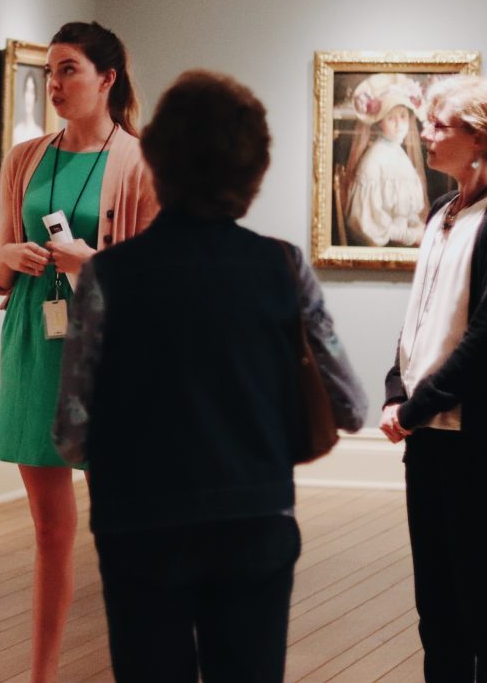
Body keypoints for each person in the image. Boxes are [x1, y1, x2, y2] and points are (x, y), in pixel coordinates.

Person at [53, 70, 366, 682]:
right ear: (253, 167)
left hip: (138, 523)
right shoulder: (281, 265)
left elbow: (71, 430)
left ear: (157, 158)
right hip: (254, 518)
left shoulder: (108, 276)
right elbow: (349, 403)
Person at [0, 21, 158, 682]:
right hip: (34, 341)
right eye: (50, 72)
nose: (54, 85)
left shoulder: (140, 164)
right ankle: (41, 675)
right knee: (50, 532)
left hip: (106, 353)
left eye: (69, 71)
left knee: (124, 528)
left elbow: (151, 286)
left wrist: (93, 266)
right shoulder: (24, 158)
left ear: (107, 79)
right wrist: (5, 258)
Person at [379, 75, 487, 681]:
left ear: (479, 138)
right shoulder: (442, 211)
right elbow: (417, 322)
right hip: (427, 435)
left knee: (477, 597)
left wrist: (416, 407)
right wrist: (398, 389)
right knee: (437, 602)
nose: (426, 134)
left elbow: (481, 341)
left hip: (471, 437)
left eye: (441, 124)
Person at [345, 72, 428, 247]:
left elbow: (405, 209)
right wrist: (411, 236)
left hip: (403, 239)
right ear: (380, 123)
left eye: (403, 116)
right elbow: (367, 224)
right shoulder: (375, 159)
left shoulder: (397, 152)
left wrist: (418, 227)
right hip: (385, 246)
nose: (399, 125)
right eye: (391, 118)